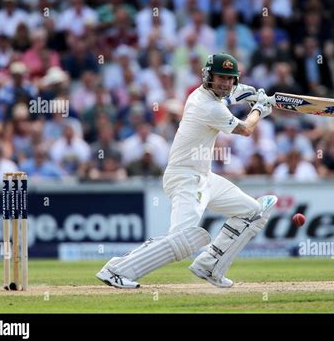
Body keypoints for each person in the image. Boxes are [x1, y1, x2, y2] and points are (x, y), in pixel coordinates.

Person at [96, 53, 277, 288]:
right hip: (185, 178)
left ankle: (210, 265)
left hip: (204, 177)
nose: (225, 83)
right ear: (208, 77)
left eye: (230, 79)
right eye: (220, 78)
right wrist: (259, 109)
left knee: (253, 212)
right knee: (183, 240)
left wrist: (249, 94)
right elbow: (245, 129)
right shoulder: (209, 107)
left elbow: (230, 94)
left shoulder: (206, 95)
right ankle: (115, 270)